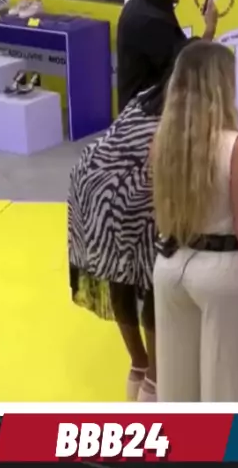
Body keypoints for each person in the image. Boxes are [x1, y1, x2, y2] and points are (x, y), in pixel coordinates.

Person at [151, 41, 238, 402]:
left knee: (176, 389)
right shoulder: (237, 147)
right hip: (223, 272)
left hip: (170, 266)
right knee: (229, 388)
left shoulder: (162, 141)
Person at [68, 74, 172, 403]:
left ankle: (139, 366)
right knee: (153, 279)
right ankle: (153, 380)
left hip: (90, 184)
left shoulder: (146, 96)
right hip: (127, 192)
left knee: (120, 275)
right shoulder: (182, 112)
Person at [117, 0, 217, 111]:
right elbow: (188, 66)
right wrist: (210, 29)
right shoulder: (148, 20)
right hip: (145, 119)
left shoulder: (149, 6)